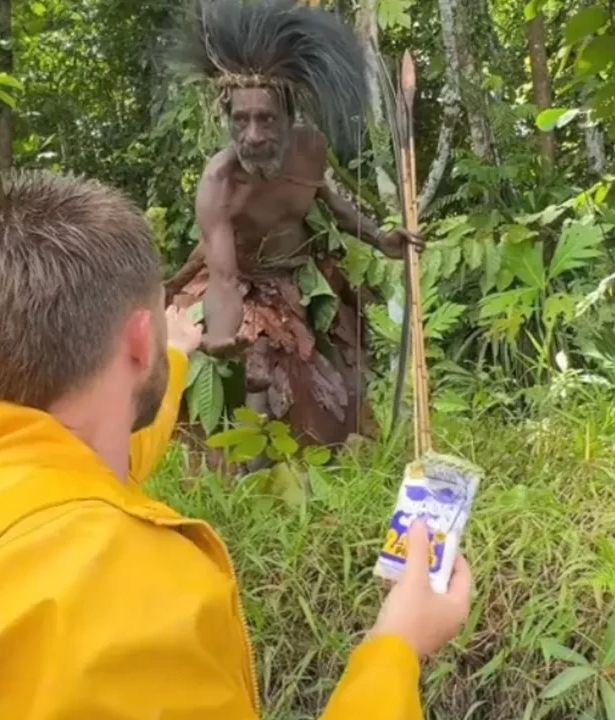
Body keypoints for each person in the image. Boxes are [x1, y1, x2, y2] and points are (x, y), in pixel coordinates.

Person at [0, 169, 472, 719]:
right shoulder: (142, 604)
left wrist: (177, 353)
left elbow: (124, 441)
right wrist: (397, 646)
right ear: (140, 340)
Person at [164, 0, 422, 448]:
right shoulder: (219, 183)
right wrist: (225, 336)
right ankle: (247, 471)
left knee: (341, 390)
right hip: (242, 286)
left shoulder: (309, 150)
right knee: (255, 392)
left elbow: (324, 197)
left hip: (301, 275)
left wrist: (381, 239)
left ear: (288, 117)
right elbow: (224, 276)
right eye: (241, 120)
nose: (253, 135)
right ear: (227, 119)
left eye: (266, 119)